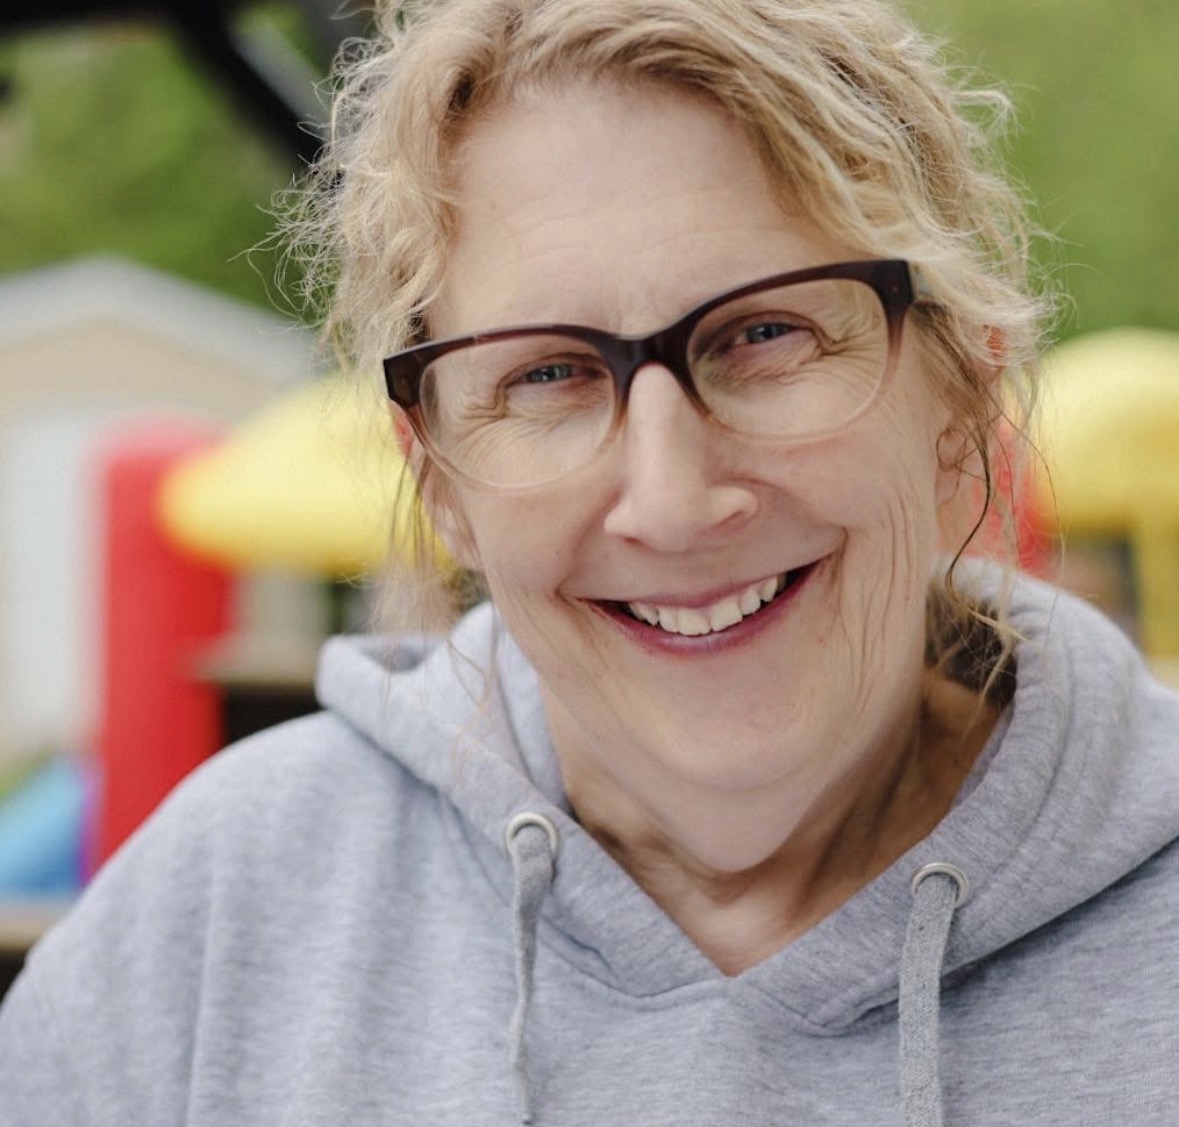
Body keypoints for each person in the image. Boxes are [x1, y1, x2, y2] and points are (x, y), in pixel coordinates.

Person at [3, 0, 1179, 1123]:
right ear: (439, 480)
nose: (670, 503)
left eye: (767, 333)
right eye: (549, 375)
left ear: (961, 399)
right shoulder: (213, 929)